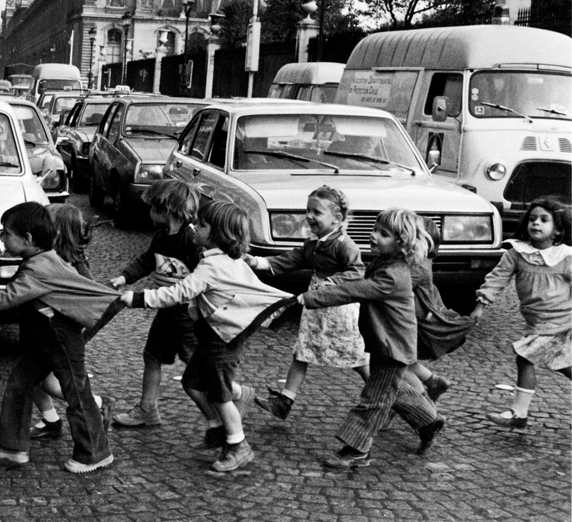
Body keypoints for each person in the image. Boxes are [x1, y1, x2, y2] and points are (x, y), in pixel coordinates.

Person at [0, 203, 124, 475]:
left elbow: (7, 298)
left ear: (27, 240)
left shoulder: (39, 268)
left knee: (77, 394)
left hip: (59, 340)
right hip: (46, 340)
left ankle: (95, 453)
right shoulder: (43, 259)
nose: (2, 239)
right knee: (19, 382)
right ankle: (12, 447)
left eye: (6, 234)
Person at [121, 200, 289, 472]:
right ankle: (217, 428)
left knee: (219, 393)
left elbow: (180, 292)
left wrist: (138, 298)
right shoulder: (224, 260)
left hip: (222, 339)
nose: (194, 227)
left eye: (201, 224)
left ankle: (238, 446)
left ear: (217, 233)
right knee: (191, 382)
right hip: (214, 335)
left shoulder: (212, 266)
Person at [294, 208, 446, 468]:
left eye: (383, 234)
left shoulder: (392, 275)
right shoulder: (384, 264)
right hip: (384, 344)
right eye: (375, 229)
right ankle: (428, 420)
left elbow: (356, 290)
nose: (373, 236)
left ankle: (356, 450)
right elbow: (356, 279)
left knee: (373, 400)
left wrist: (311, 298)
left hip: (393, 348)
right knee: (390, 390)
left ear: (401, 243)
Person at [245, 186, 368, 421]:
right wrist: (258, 262)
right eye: (308, 210)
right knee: (302, 351)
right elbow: (292, 259)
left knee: (356, 356)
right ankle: (285, 401)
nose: (309, 216)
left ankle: (386, 397)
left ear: (337, 219)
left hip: (338, 307)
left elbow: (357, 272)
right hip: (316, 304)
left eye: (317, 212)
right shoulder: (314, 242)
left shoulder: (344, 244)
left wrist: (332, 282)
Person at [109, 180, 203, 428]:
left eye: (152, 208)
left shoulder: (191, 240)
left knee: (198, 366)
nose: (148, 212)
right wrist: (124, 277)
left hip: (188, 316)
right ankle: (147, 409)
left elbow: (205, 276)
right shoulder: (161, 237)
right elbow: (146, 261)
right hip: (166, 312)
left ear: (167, 210)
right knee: (152, 356)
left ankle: (229, 401)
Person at [476, 197, 571, 431]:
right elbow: (497, 278)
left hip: (561, 321)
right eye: (532, 219)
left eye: (544, 220)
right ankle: (519, 415)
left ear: (557, 230)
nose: (536, 223)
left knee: (525, 358)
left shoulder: (565, 257)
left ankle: (519, 414)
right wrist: (481, 305)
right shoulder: (517, 253)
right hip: (537, 321)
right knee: (562, 365)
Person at [30, 204, 113, 440]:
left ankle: (97, 404)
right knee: (31, 378)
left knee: (50, 382)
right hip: (44, 332)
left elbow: (95, 300)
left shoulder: (74, 266)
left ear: (56, 232)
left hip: (62, 334)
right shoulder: (49, 259)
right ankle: (50, 420)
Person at [405, 216, 476, 402]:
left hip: (413, 320)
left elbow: (394, 288)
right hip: (412, 318)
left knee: (398, 362)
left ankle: (422, 405)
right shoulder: (422, 261)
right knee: (403, 360)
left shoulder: (417, 266)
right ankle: (432, 382)